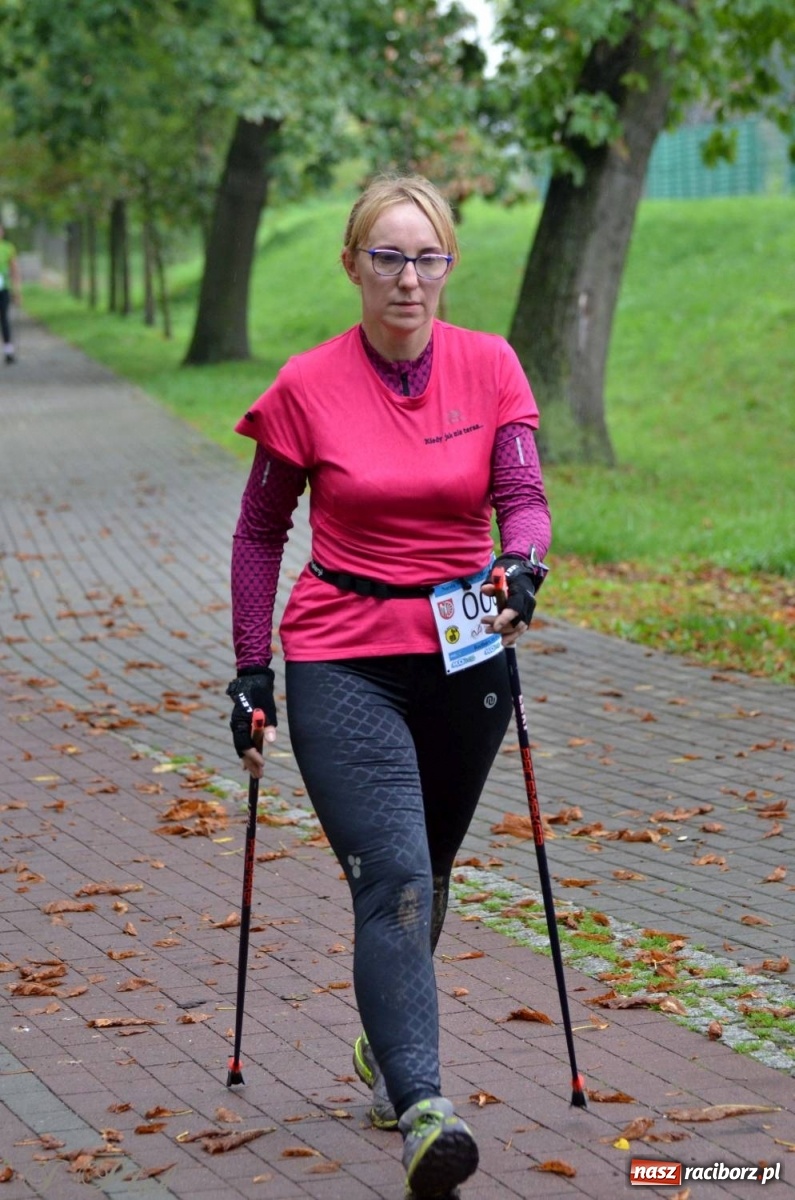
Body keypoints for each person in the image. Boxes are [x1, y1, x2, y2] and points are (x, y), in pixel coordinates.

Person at [227, 173, 551, 1199]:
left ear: (448, 264)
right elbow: (259, 532)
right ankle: (423, 1106)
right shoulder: (306, 386)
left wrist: (523, 565)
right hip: (342, 652)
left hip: (462, 652)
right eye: (387, 258)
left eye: (427, 258)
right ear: (352, 265)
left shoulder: (491, 367)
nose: (408, 279)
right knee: (397, 877)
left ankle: (384, 1043)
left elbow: (523, 498)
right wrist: (250, 670)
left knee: (433, 869)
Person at [0, 223, 22, 364]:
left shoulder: (8, 248)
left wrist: (17, 291)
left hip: (3, 289)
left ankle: (9, 351)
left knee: (4, 319)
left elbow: (14, 270)